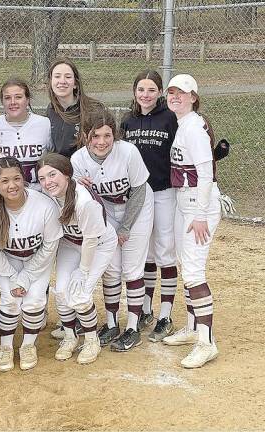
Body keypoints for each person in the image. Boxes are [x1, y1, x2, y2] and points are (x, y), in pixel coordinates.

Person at [71, 106, 154, 352]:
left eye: (107, 135)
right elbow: (78, 195)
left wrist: (126, 227)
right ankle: (110, 324)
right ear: (86, 136)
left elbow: (138, 191)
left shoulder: (128, 152)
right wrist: (78, 184)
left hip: (136, 209)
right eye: (95, 136)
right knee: (111, 269)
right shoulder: (78, 160)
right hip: (106, 211)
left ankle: (132, 327)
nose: (102, 141)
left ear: (114, 135)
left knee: (131, 268)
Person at [0, 157, 63, 372]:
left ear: (24, 178)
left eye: (17, 178)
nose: (12, 185)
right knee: (9, 300)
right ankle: (6, 346)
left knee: (34, 301)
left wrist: (26, 277)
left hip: (38, 260)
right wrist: (13, 276)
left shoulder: (44, 204)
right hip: (7, 260)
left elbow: (50, 245)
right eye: (4, 181)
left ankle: (28, 345)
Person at [162, 74, 221, 369]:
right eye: (171, 92)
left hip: (199, 207)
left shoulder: (194, 128)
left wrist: (199, 214)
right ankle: (192, 327)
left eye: (182, 93)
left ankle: (206, 342)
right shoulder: (183, 124)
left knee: (195, 273)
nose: (176, 97)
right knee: (187, 267)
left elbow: (207, 173)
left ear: (193, 97)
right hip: (185, 202)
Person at [37, 153, 117, 364]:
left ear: (66, 174)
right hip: (71, 242)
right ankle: (70, 336)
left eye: (52, 175)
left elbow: (91, 240)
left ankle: (91, 340)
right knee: (62, 291)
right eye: (42, 178)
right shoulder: (46, 194)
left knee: (80, 293)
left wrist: (83, 271)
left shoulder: (84, 201)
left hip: (98, 244)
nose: (47, 182)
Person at [120, 70, 178, 342]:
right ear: (134, 92)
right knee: (144, 253)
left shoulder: (169, 118)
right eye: (141, 89)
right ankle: (144, 309)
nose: (145, 95)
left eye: (151, 90)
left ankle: (165, 314)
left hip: (163, 190)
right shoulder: (128, 121)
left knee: (164, 250)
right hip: (138, 194)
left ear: (160, 92)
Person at [0, 78, 51, 189]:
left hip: (38, 191)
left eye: (18, 97)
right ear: (2, 101)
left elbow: (53, 157)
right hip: (6, 193)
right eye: (7, 98)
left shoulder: (44, 123)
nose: (13, 102)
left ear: (27, 100)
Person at [46, 58, 103, 158]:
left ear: (75, 84)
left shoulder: (94, 109)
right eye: (57, 76)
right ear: (51, 82)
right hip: (59, 169)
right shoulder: (50, 110)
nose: (62, 81)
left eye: (68, 77)